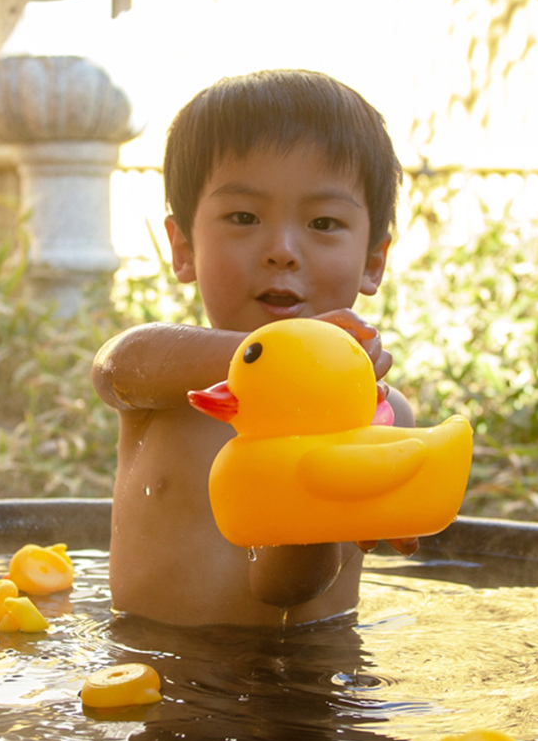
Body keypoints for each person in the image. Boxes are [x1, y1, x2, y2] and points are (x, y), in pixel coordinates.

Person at [92, 69, 415, 625]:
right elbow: (116, 368)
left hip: (316, 681)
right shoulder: (170, 379)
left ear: (373, 262)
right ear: (184, 248)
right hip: (152, 675)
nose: (282, 250)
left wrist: (329, 499)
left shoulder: (380, 418)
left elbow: (285, 592)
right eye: (243, 217)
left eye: (323, 222)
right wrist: (276, 366)